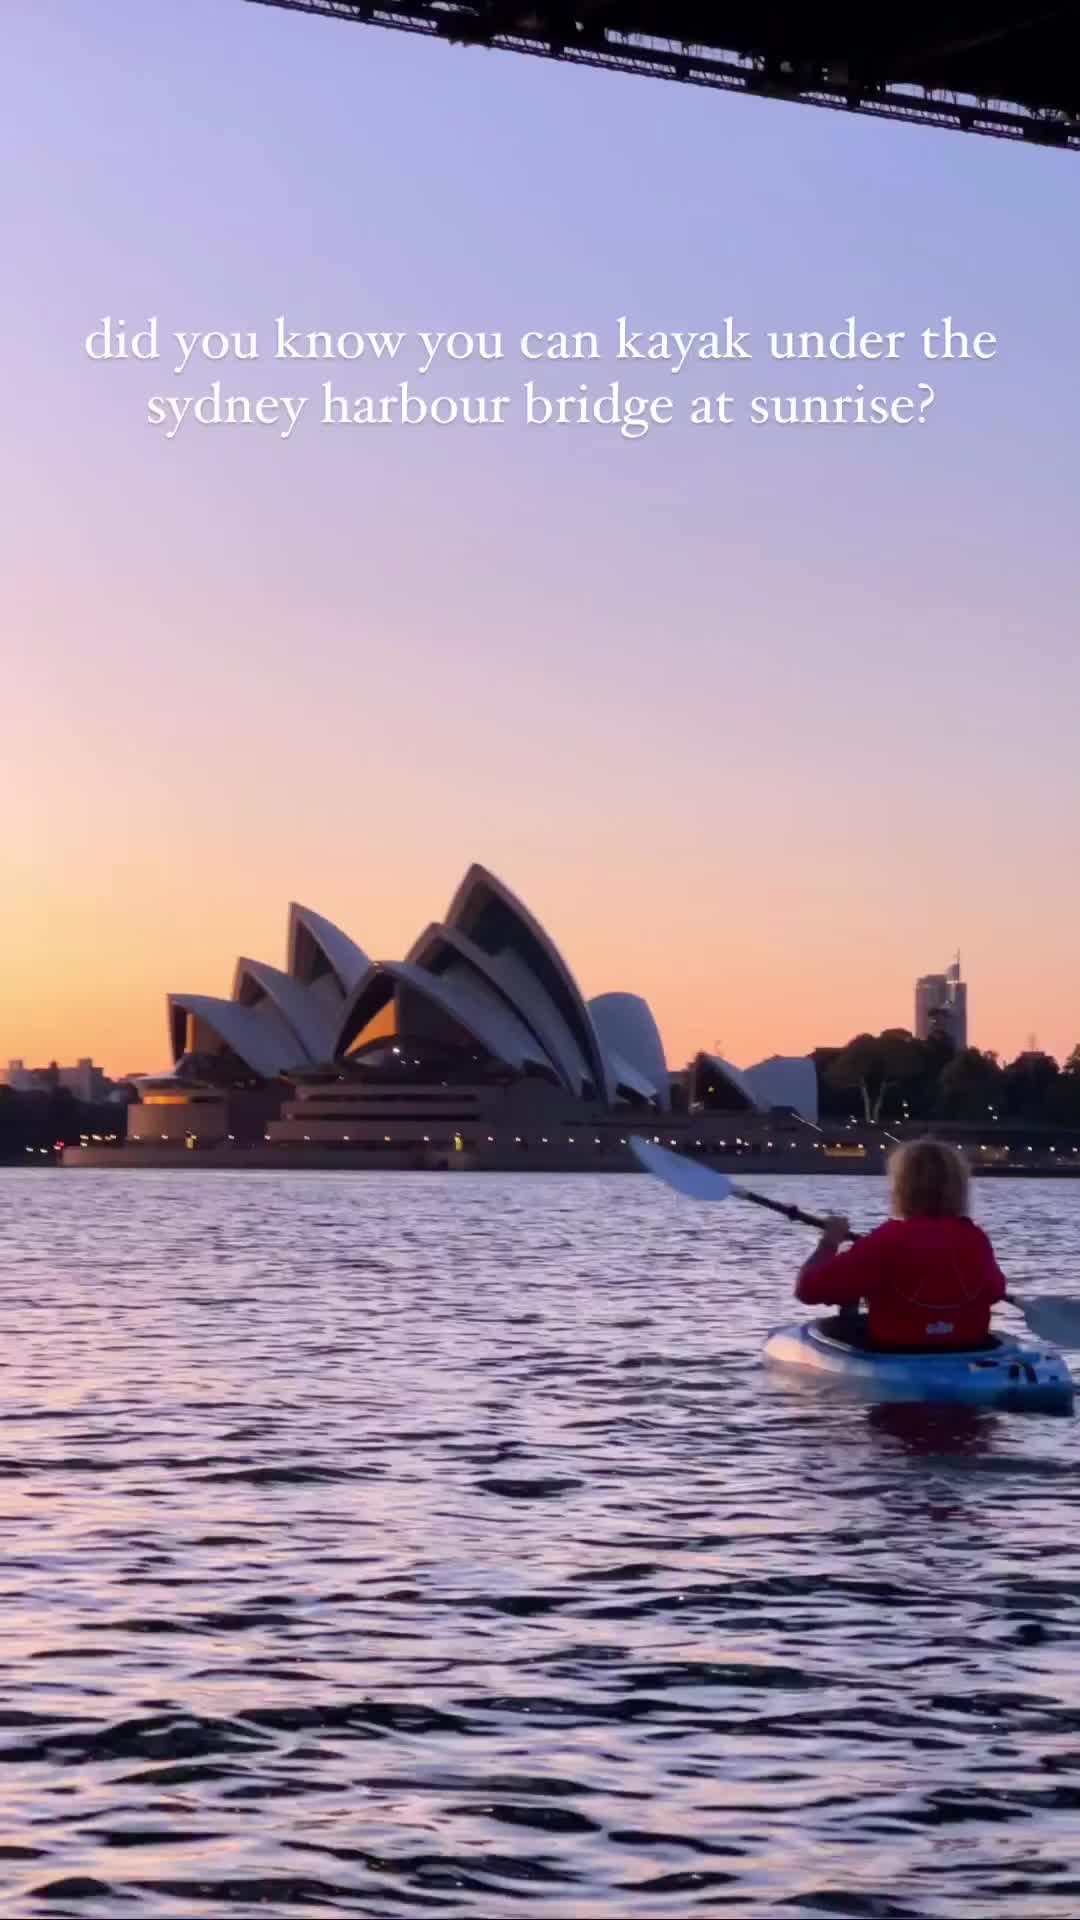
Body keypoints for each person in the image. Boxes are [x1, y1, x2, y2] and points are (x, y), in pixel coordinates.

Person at [795, 1139, 1007, 1350]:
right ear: (959, 1187)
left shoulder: (884, 1241)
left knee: (836, 1325)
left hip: (897, 1351)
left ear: (902, 1187)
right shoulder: (976, 1239)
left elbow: (807, 1289)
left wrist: (829, 1242)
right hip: (967, 1349)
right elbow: (995, 1291)